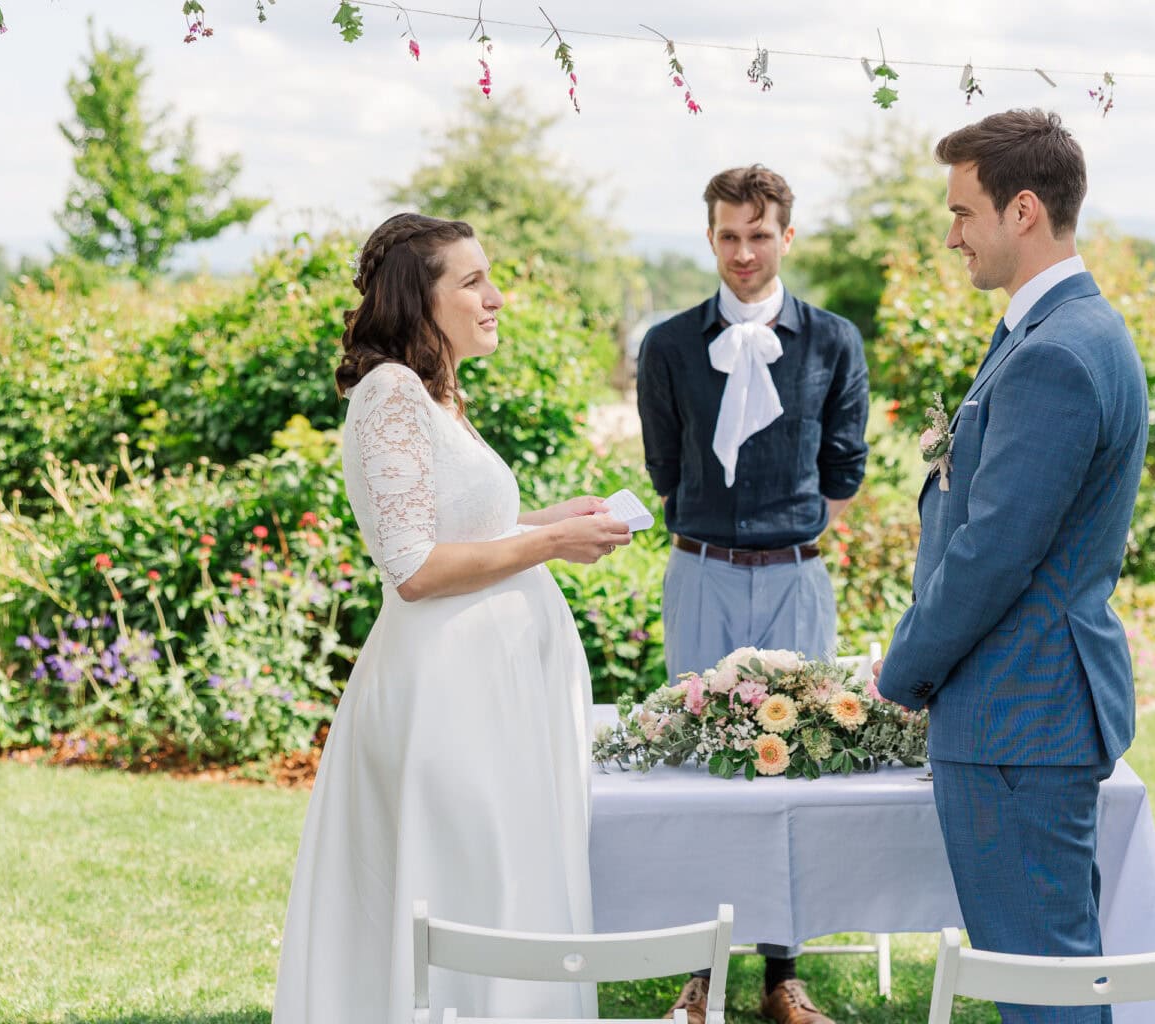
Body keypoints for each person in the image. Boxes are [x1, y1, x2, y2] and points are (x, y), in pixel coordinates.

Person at [272, 212, 633, 1024]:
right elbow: (414, 567)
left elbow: (454, 530)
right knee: (466, 877)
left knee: (498, 877)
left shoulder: (435, 396)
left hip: (486, 693)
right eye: (472, 282)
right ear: (419, 299)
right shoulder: (391, 393)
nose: (495, 296)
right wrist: (547, 544)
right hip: (446, 700)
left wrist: (547, 524)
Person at [874, 110, 1149, 1024]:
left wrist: (905, 672)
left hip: (1016, 713)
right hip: (1029, 709)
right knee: (1049, 971)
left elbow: (993, 551)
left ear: (1022, 209)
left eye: (962, 212)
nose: (951, 234)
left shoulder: (1060, 354)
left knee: (1042, 987)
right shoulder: (1066, 329)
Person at [635, 165, 869, 1024]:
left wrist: (787, 537)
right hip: (700, 573)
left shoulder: (834, 341)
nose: (743, 251)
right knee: (700, 764)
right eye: (729, 235)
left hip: (796, 578)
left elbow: (844, 465)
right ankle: (700, 973)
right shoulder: (666, 345)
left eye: (759, 235)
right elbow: (665, 466)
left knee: (790, 762)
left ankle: (782, 976)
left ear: (787, 238)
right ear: (710, 237)